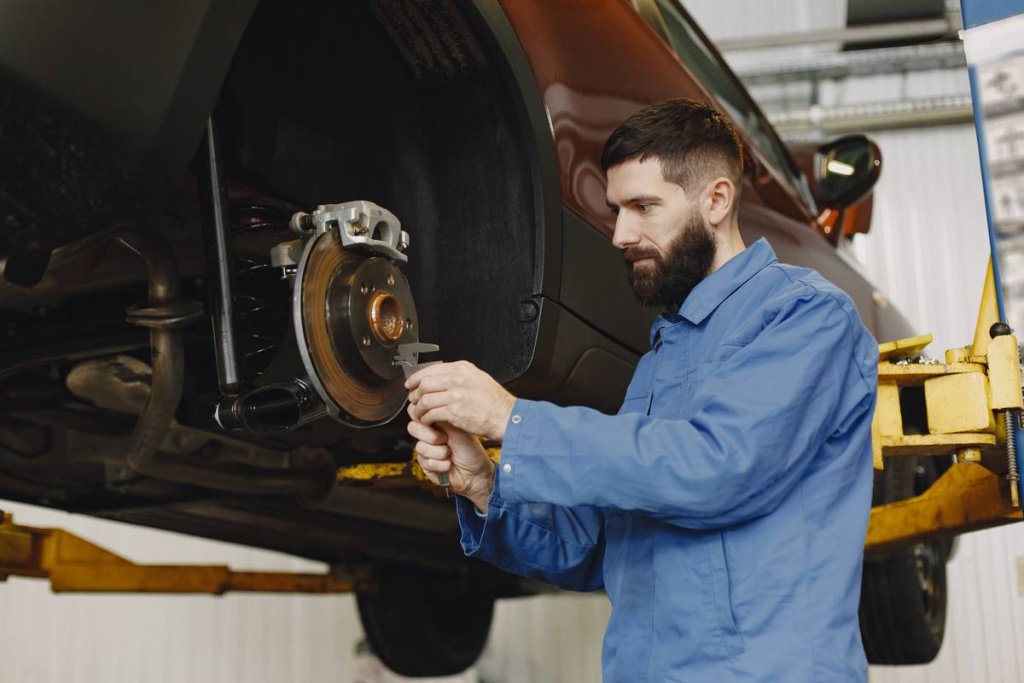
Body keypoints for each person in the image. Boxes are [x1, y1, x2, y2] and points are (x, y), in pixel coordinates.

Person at [404, 98, 878, 682]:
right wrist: (483, 486)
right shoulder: (661, 357)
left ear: (717, 201)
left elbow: (715, 468)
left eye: (643, 207)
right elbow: (601, 548)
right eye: (616, 210)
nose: (620, 234)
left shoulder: (803, 316)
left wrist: (511, 419)